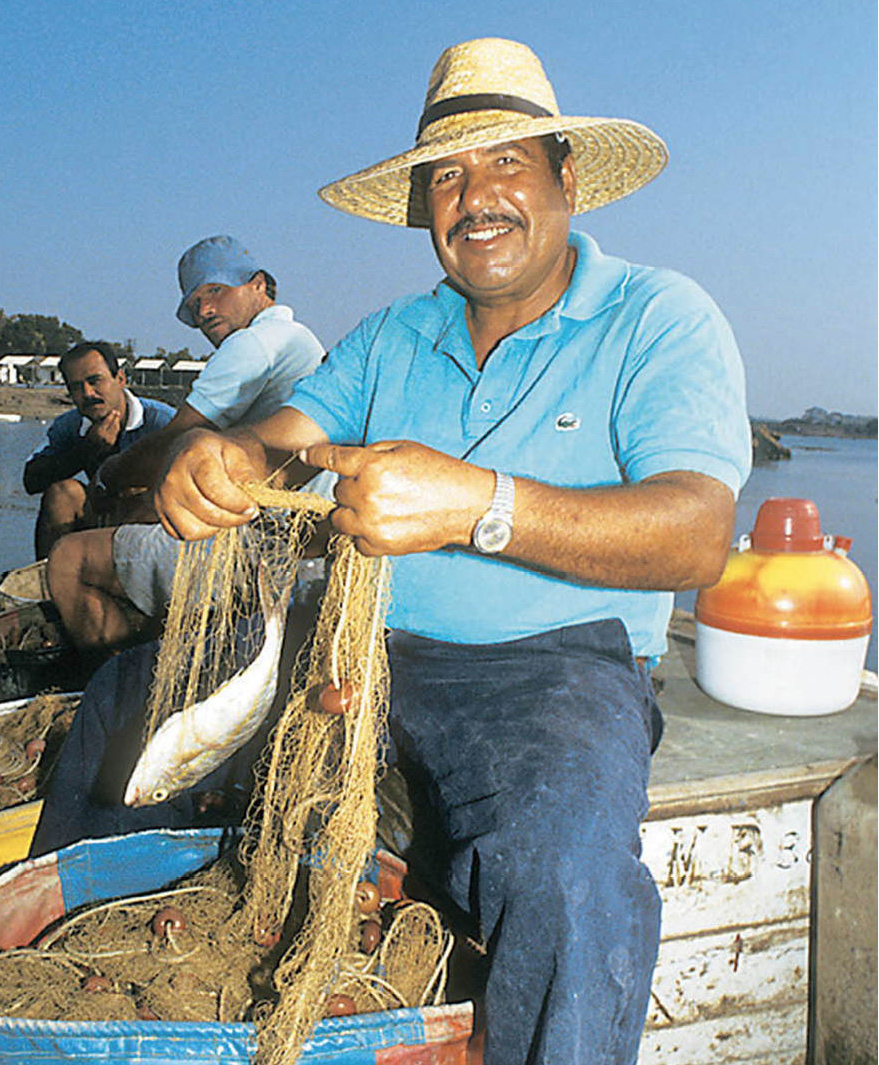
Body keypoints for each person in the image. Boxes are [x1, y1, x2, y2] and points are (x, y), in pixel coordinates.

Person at [152, 38, 751, 1065]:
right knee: (131, 723)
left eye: (506, 163)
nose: (475, 198)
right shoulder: (391, 335)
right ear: (425, 206)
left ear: (568, 177)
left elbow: (696, 533)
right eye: (446, 177)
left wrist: (480, 504)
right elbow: (284, 441)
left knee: (561, 874)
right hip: (356, 651)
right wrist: (216, 456)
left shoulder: (657, 317)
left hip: (552, 669)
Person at [46, 235, 325, 653]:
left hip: (266, 545)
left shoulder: (253, 344)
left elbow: (174, 441)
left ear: (258, 286)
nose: (205, 310)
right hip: (292, 533)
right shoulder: (299, 339)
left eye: (215, 291)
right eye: (194, 304)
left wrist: (107, 474)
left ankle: (116, 691)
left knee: (69, 559)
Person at [23, 341, 174, 559]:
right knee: (64, 494)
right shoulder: (70, 425)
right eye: (76, 387)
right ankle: (47, 582)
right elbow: (31, 481)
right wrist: (88, 448)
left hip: (152, 525)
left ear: (120, 379)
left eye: (95, 381)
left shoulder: (162, 422)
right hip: (100, 515)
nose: (87, 393)